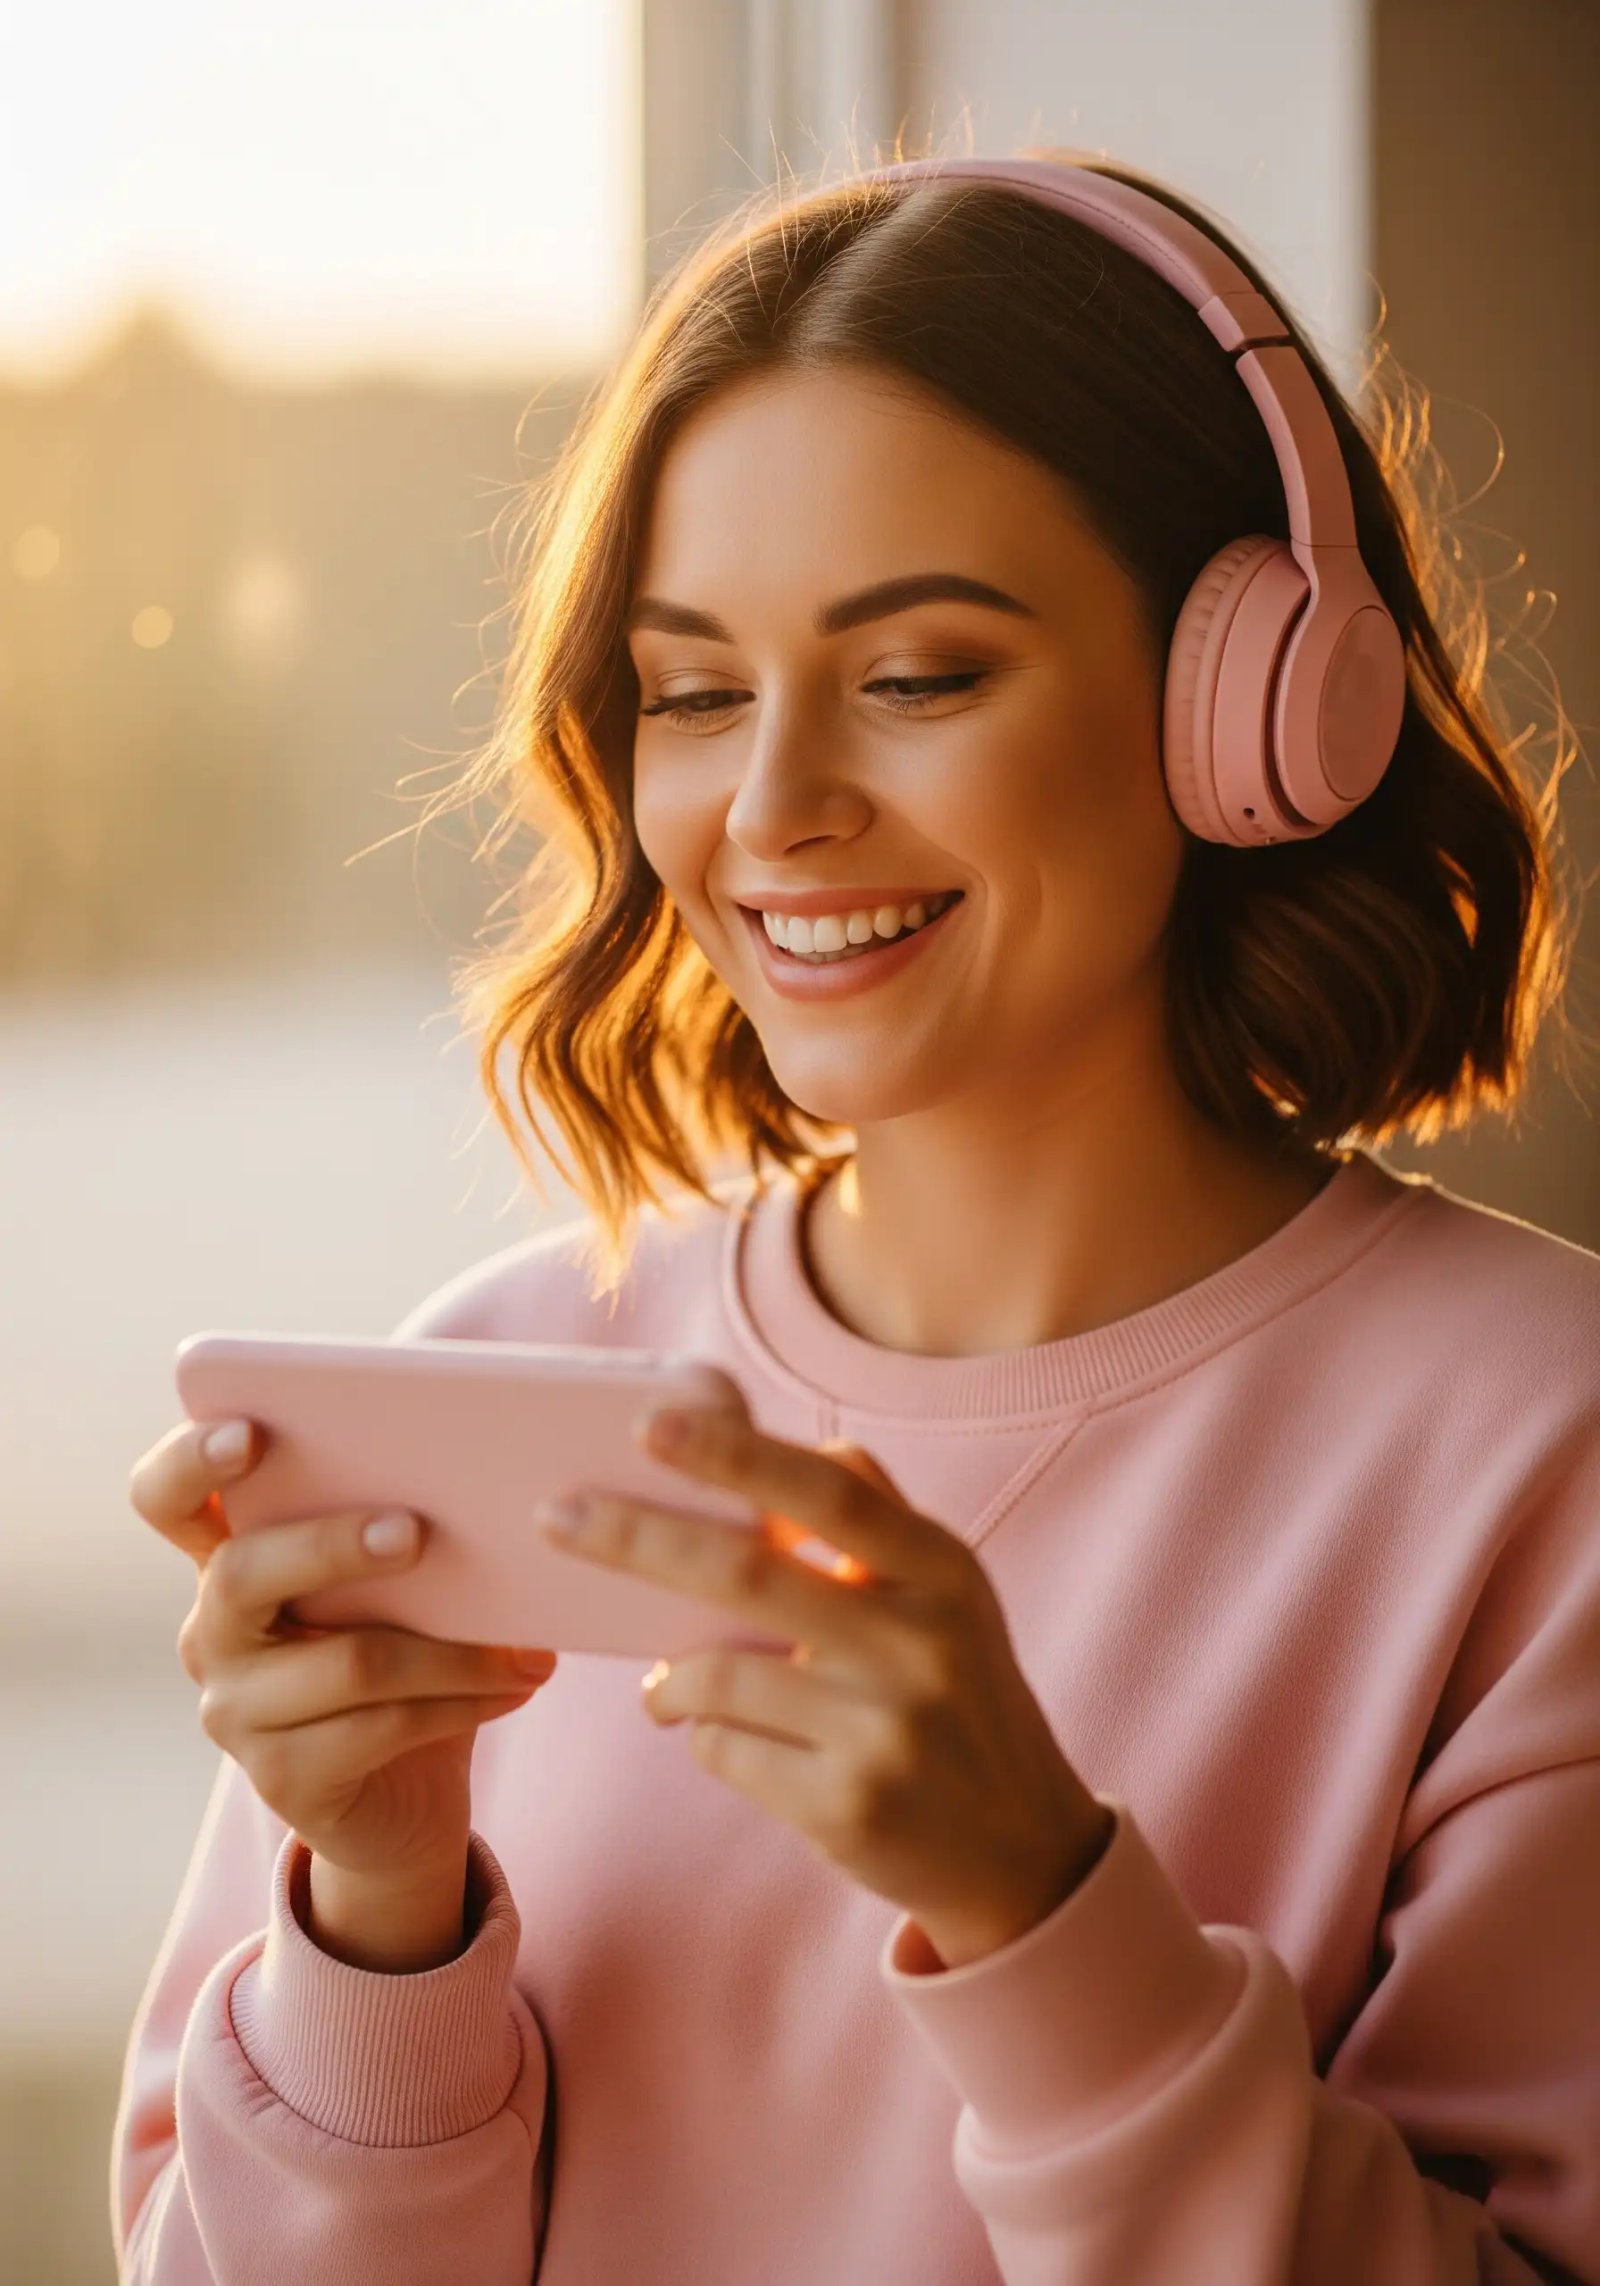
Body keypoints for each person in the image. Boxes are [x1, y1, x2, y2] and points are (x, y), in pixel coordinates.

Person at [112, 148, 1599, 2285]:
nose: (774, 803)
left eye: (914, 675)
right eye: (694, 692)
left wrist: (1041, 1914)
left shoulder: (1536, 1458)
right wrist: (375, 1916)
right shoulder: (498, 1379)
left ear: (1250, 704)